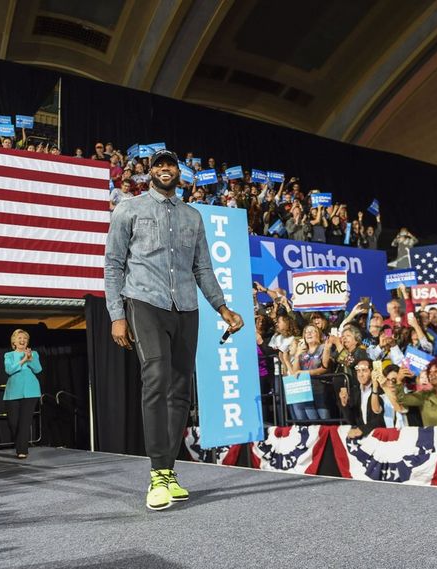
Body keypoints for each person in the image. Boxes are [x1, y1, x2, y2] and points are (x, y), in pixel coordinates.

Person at [105, 149, 244, 511]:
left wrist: (223, 307)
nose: (166, 170)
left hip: (186, 307)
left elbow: (203, 269)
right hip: (144, 302)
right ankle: (156, 475)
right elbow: (113, 265)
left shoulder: (193, 216)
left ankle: (169, 471)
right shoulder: (128, 208)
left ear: (178, 172)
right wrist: (116, 314)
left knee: (181, 389)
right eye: (159, 165)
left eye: (171, 165)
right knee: (156, 376)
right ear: (150, 172)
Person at [3, 329, 42, 459]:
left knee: (25, 422)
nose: (22, 340)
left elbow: (38, 369)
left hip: (31, 391)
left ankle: (22, 450)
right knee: (13, 422)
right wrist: (23, 360)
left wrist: (30, 359)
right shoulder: (8, 355)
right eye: (20, 338)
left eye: (25, 338)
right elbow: (9, 370)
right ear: (14, 341)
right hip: (12, 393)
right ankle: (20, 446)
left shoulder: (33, 353)